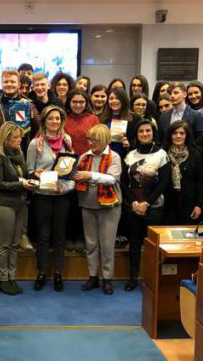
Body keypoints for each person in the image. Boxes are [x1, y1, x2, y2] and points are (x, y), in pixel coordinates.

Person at [27, 105, 75, 292]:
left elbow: (71, 169)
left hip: (62, 194)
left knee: (60, 235)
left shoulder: (67, 141)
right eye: (51, 119)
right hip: (43, 195)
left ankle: (58, 273)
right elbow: (30, 170)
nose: (54, 121)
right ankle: (41, 273)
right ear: (44, 121)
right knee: (44, 236)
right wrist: (37, 174)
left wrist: (65, 185)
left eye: (58, 119)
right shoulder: (35, 143)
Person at [121, 120, 170, 291]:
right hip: (132, 207)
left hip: (154, 208)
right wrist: (134, 202)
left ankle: (152, 279)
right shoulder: (129, 155)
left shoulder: (161, 154)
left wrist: (147, 203)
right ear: (136, 134)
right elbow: (123, 182)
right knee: (134, 244)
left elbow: (163, 183)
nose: (144, 134)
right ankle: (133, 278)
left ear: (153, 133)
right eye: (141, 131)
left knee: (152, 247)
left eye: (148, 130)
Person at [0, 122, 37, 295]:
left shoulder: (19, 154)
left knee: (15, 244)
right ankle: (3, 279)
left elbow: (22, 176)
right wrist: (21, 184)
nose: (19, 140)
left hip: (20, 204)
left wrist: (33, 176)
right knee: (4, 244)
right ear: (6, 138)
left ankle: (11, 276)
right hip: (4, 205)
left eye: (20, 137)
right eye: (15, 137)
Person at [76, 124, 122, 295]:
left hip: (109, 206)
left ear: (104, 140)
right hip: (88, 204)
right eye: (89, 139)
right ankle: (93, 276)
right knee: (91, 244)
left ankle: (107, 278)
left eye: (94, 140)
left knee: (107, 243)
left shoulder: (114, 157)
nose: (90, 143)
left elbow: (111, 179)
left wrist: (90, 175)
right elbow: (73, 176)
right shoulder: (83, 157)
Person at [64, 89, 99, 252]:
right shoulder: (63, 117)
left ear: (86, 103)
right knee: (69, 203)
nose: (78, 105)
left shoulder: (93, 119)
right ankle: (69, 237)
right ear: (69, 102)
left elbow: (98, 141)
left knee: (83, 203)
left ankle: (80, 237)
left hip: (87, 165)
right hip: (66, 165)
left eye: (81, 102)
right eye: (74, 101)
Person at [162, 121, 203, 225]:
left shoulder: (195, 153)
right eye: (175, 133)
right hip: (167, 203)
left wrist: (199, 205)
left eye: (182, 133)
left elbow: (200, 181)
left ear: (187, 135)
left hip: (189, 203)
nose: (178, 136)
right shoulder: (163, 153)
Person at [0, 70, 39, 142]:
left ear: (18, 85)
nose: (9, 84)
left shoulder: (29, 105)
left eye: (12, 82)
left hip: (23, 151)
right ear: (1, 84)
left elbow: (39, 129)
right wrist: (7, 136)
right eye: (6, 82)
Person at [101, 87, 138, 158]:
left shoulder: (134, 118)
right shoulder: (103, 119)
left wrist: (129, 144)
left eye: (117, 98)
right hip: (106, 157)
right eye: (111, 98)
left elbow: (138, 140)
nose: (114, 101)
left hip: (126, 157)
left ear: (123, 100)